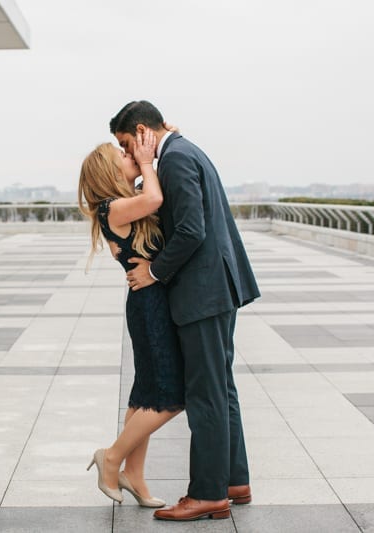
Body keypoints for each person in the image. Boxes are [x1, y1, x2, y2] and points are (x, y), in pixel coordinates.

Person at [111, 100, 260, 521]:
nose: (126, 154)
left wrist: (155, 271)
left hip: (202, 293)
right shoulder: (182, 151)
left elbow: (192, 229)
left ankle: (208, 494)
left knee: (204, 392)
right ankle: (234, 479)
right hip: (214, 290)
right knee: (220, 386)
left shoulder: (175, 159)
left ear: (142, 131)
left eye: (126, 144)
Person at [78, 129, 185, 508]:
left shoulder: (123, 203)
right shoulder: (112, 207)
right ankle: (111, 457)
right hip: (149, 305)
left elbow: (154, 197)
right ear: (110, 171)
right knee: (171, 397)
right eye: (122, 155)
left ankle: (134, 475)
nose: (129, 156)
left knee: (143, 394)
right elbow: (155, 197)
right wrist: (145, 162)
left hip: (148, 301)